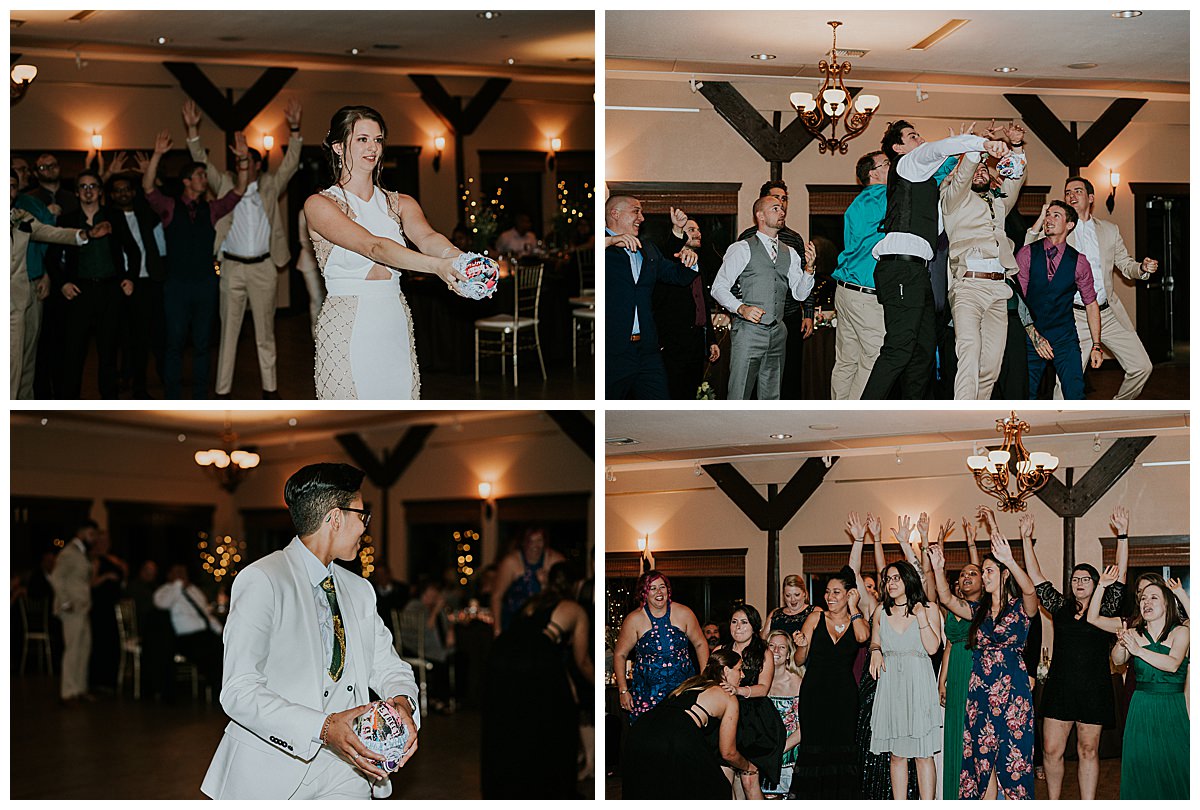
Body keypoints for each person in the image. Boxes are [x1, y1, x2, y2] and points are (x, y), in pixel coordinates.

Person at [201, 462, 420, 799]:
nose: (365, 527)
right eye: (362, 515)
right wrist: (323, 728)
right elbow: (238, 690)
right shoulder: (264, 579)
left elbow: (390, 667)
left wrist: (403, 705)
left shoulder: (359, 590)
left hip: (349, 770)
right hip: (273, 771)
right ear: (335, 518)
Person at [303, 105, 470, 400]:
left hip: (393, 316)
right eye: (362, 139)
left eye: (378, 140)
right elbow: (373, 246)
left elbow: (429, 238)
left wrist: (460, 260)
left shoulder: (400, 203)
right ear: (339, 147)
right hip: (347, 324)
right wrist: (437, 267)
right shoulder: (319, 205)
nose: (372, 148)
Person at [861, 121, 1009, 399]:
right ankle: (863, 410)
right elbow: (938, 149)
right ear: (898, 147)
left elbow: (941, 224)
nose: (920, 139)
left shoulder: (923, 182)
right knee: (900, 348)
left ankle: (912, 411)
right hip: (900, 266)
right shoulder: (906, 164)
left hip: (918, 271)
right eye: (912, 136)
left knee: (924, 351)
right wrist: (979, 143)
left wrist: (964, 156)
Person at [183, 99, 302, 399]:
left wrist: (295, 129)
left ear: (258, 165)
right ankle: (222, 393)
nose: (242, 165)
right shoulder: (224, 185)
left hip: (263, 267)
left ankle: (270, 391)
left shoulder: (270, 186)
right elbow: (201, 161)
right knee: (228, 334)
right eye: (237, 161)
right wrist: (193, 129)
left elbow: (290, 163)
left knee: (266, 334)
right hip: (232, 268)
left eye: (247, 160)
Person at [1020, 508, 1128, 800]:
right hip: (1060, 686)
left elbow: (1121, 576)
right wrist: (1026, 539)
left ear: (1095, 583)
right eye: (1075, 579)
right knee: (1052, 750)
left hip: (1094, 687)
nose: (1078, 583)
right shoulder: (1061, 608)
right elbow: (1038, 577)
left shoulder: (1105, 609)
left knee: (1088, 749)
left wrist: (1123, 535)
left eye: (1085, 579)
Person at [929, 514, 1038, 800]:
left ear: (1003, 575)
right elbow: (946, 598)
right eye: (984, 571)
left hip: (1013, 693)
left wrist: (1010, 561)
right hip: (979, 693)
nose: (984, 576)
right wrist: (939, 568)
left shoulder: (1019, 608)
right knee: (981, 760)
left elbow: (1030, 590)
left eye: (989, 571)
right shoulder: (977, 612)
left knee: (1014, 758)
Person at [1027, 176, 1157, 399]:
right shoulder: (1060, 230)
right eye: (1067, 192)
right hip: (1073, 317)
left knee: (1142, 367)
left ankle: (1117, 408)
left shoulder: (1109, 230)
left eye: (1077, 191)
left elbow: (1125, 265)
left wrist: (1142, 268)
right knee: (1065, 385)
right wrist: (1040, 220)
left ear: (1091, 198)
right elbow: (1029, 251)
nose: (1071, 195)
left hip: (1108, 313)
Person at [143, 130, 249, 399]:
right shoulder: (169, 206)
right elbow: (147, 188)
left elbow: (239, 191)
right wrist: (156, 154)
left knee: (203, 344)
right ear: (187, 181)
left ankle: (202, 395)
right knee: (174, 343)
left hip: (204, 284)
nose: (205, 179)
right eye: (200, 176)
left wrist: (244, 161)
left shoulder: (211, 209)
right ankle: (172, 396)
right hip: (176, 285)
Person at [481, 562, 592, 798]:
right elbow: (581, 661)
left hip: (501, 655)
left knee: (510, 724)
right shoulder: (575, 609)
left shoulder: (534, 601)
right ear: (576, 584)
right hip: (533, 660)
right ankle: (548, 790)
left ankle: (509, 789)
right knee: (555, 723)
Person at [940, 122, 1027, 399]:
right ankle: (962, 414)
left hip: (999, 290)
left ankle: (979, 414)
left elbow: (1015, 180)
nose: (979, 172)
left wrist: (1015, 147)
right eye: (975, 169)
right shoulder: (952, 200)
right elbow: (964, 173)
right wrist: (979, 148)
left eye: (983, 170)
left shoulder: (998, 202)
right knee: (969, 350)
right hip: (968, 287)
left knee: (990, 365)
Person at [1089, 572, 1188, 798]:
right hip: (1141, 707)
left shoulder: (1181, 632)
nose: (1146, 602)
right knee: (1141, 767)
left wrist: (1138, 650)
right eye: (1143, 598)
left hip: (1172, 707)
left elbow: (1173, 665)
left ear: (1167, 603)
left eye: (1153, 597)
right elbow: (1117, 660)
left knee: (1176, 766)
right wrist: (1122, 643)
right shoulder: (1134, 632)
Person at [711, 195, 816, 399]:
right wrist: (741, 308)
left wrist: (809, 271)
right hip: (748, 333)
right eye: (775, 208)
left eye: (782, 208)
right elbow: (718, 287)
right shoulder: (742, 248)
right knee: (739, 393)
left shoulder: (791, 252)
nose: (782, 212)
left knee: (772, 395)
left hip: (778, 332)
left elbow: (799, 293)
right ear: (760, 215)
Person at [621, 647, 757, 799]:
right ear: (726, 671)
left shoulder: (691, 683)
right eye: (739, 669)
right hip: (676, 734)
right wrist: (749, 767)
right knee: (716, 791)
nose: (743, 675)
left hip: (641, 729)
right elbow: (728, 753)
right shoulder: (728, 696)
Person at [10, 171, 98, 398]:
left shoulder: (20, 216)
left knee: (26, 361)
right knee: (10, 364)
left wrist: (84, 234)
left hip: (22, 297)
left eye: (12, 187)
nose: (9, 192)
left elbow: (49, 232)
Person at [51, 169, 137, 398]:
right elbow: (51, 258)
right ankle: (70, 407)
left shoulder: (114, 217)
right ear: (77, 193)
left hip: (110, 291)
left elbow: (134, 250)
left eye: (93, 186)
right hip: (79, 292)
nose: (88, 191)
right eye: (83, 187)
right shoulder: (66, 220)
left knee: (108, 354)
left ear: (100, 191)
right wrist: (62, 284)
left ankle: (109, 405)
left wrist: (130, 277)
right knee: (73, 354)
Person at [604, 194, 699, 399]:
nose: (642, 218)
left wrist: (691, 258)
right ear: (615, 213)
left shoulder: (647, 248)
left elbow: (677, 276)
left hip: (647, 351)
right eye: (636, 211)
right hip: (612, 351)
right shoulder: (603, 249)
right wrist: (610, 240)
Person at [791, 565, 870, 798]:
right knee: (814, 747)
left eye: (836, 592)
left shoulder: (857, 620)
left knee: (842, 748)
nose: (829, 597)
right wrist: (802, 644)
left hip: (844, 695)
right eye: (827, 591)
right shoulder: (816, 617)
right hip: (815, 692)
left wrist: (854, 607)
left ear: (849, 594)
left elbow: (863, 637)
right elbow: (799, 659)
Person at [868, 560, 942, 800]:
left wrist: (921, 617)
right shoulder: (881, 611)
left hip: (918, 682)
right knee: (897, 754)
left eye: (896, 578)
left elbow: (933, 648)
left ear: (909, 579)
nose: (891, 583)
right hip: (892, 686)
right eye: (888, 579)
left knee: (923, 753)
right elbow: (874, 640)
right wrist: (876, 650)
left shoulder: (929, 609)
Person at [1016, 200, 1103, 399]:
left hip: (1064, 337)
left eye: (1056, 215)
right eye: (1048, 215)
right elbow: (1019, 299)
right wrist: (1034, 336)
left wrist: (1097, 345)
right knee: (1025, 396)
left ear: (1070, 225)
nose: (1049, 219)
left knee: (1075, 392)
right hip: (1030, 336)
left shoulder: (1079, 262)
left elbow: (1090, 304)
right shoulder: (1027, 253)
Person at [613, 570, 709, 722]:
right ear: (644, 593)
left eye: (662, 587)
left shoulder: (684, 613)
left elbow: (700, 643)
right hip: (647, 693)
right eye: (653, 588)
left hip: (682, 690)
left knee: (682, 733)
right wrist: (623, 690)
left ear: (668, 590)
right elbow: (620, 655)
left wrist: (705, 678)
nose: (659, 592)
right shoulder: (634, 619)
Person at [107, 172, 167, 398]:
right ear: (112, 195)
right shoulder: (108, 218)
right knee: (120, 336)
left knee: (143, 337)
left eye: (127, 189)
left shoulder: (147, 216)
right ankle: (121, 378)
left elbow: (161, 247)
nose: (123, 193)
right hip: (117, 283)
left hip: (145, 282)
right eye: (118, 190)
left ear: (133, 192)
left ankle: (140, 387)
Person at [716, 604, 785, 799]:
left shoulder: (763, 652)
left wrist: (738, 690)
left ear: (754, 626)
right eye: (734, 622)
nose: (738, 627)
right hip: (726, 718)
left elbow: (764, 688)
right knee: (723, 780)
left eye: (744, 622)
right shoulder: (722, 650)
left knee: (748, 779)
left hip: (754, 722)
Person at [937, 516, 983, 800]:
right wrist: (941, 681)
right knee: (954, 734)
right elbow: (950, 646)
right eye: (962, 575)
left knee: (975, 736)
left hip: (976, 670)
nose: (966, 577)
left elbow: (980, 570)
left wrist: (970, 543)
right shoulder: (953, 608)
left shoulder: (984, 608)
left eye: (973, 574)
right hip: (954, 671)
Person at [652, 208, 719, 399]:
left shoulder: (700, 264)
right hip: (672, 344)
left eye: (698, 230)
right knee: (672, 394)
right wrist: (677, 230)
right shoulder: (667, 261)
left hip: (696, 343)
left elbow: (702, 305)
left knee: (691, 393)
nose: (698, 233)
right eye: (691, 230)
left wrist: (711, 340)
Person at [153, 562, 224, 692]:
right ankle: (217, 688)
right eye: (177, 572)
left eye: (183, 572)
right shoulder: (165, 591)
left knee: (223, 647)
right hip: (186, 638)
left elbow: (205, 613)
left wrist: (221, 631)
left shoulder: (193, 590)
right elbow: (162, 604)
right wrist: (178, 586)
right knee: (211, 652)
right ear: (169, 575)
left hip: (205, 633)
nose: (182, 575)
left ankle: (223, 686)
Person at [49, 519, 98, 702]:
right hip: (72, 608)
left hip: (83, 607)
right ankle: (68, 693)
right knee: (73, 649)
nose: (94, 539)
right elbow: (56, 578)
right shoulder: (69, 552)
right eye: (91, 534)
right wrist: (65, 602)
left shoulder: (82, 553)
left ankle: (80, 689)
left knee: (84, 648)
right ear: (81, 532)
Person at [491, 528, 564, 633]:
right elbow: (496, 597)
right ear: (524, 543)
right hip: (514, 623)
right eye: (531, 541)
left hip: (546, 625)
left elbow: (563, 595)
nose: (535, 546)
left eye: (539, 541)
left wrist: (546, 583)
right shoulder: (510, 562)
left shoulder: (554, 560)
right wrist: (497, 630)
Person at [763, 631, 803, 797]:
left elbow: (804, 728)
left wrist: (780, 750)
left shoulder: (796, 682)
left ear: (789, 654)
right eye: (771, 646)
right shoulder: (757, 681)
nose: (776, 650)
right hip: (762, 751)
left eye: (781, 647)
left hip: (788, 753)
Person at [87, 529, 126, 692]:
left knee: (112, 643)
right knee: (99, 643)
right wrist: (106, 577)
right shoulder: (94, 559)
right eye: (101, 541)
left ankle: (110, 681)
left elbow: (124, 577)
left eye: (106, 541)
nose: (104, 544)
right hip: (99, 607)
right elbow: (90, 584)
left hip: (112, 605)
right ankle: (97, 682)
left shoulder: (114, 559)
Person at [763, 574, 819, 642]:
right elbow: (763, 640)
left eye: (797, 595)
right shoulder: (775, 614)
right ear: (783, 595)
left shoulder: (815, 611)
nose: (793, 599)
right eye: (788, 595)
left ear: (804, 593)